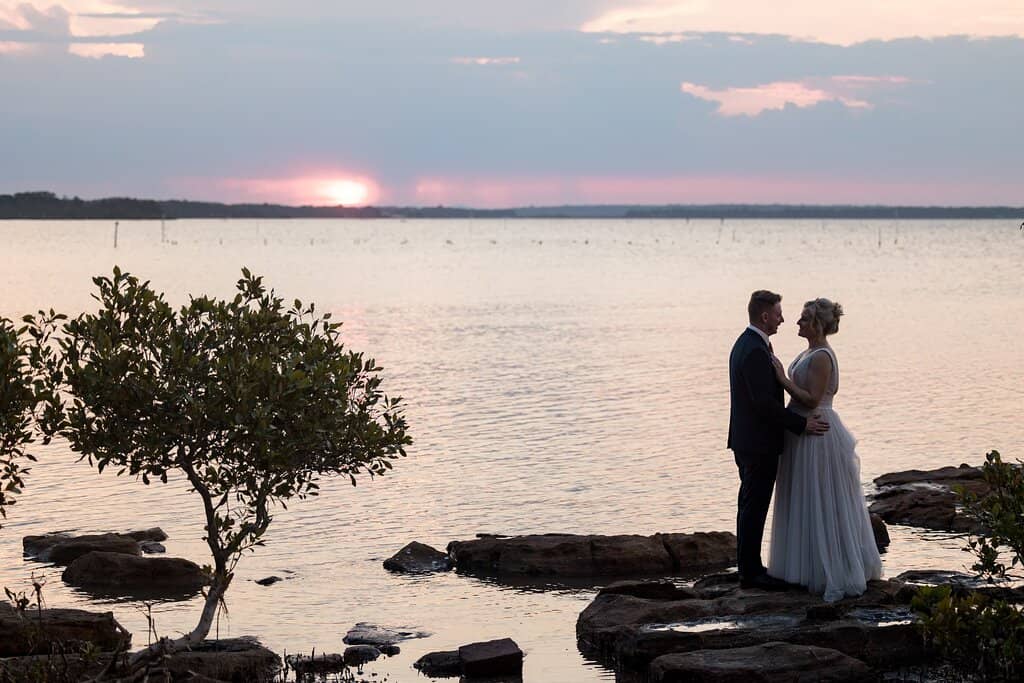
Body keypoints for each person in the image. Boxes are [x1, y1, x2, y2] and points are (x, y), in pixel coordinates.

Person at [767, 298, 883, 601]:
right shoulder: (808, 352)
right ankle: (804, 567)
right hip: (800, 431)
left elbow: (812, 400)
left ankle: (829, 569)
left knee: (821, 499)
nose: (798, 323)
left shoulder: (822, 357)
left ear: (817, 324)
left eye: (804, 319)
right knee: (804, 497)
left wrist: (781, 379)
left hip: (817, 433)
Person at [728, 290, 829, 590]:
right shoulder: (755, 349)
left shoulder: (749, 344)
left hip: (749, 439)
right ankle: (750, 571)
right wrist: (801, 425)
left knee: (750, 504)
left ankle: (750, 566)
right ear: (765, 316)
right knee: (753, 505)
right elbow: (764, 404)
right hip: (757, 442)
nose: (783, 319)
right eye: (778, 313)